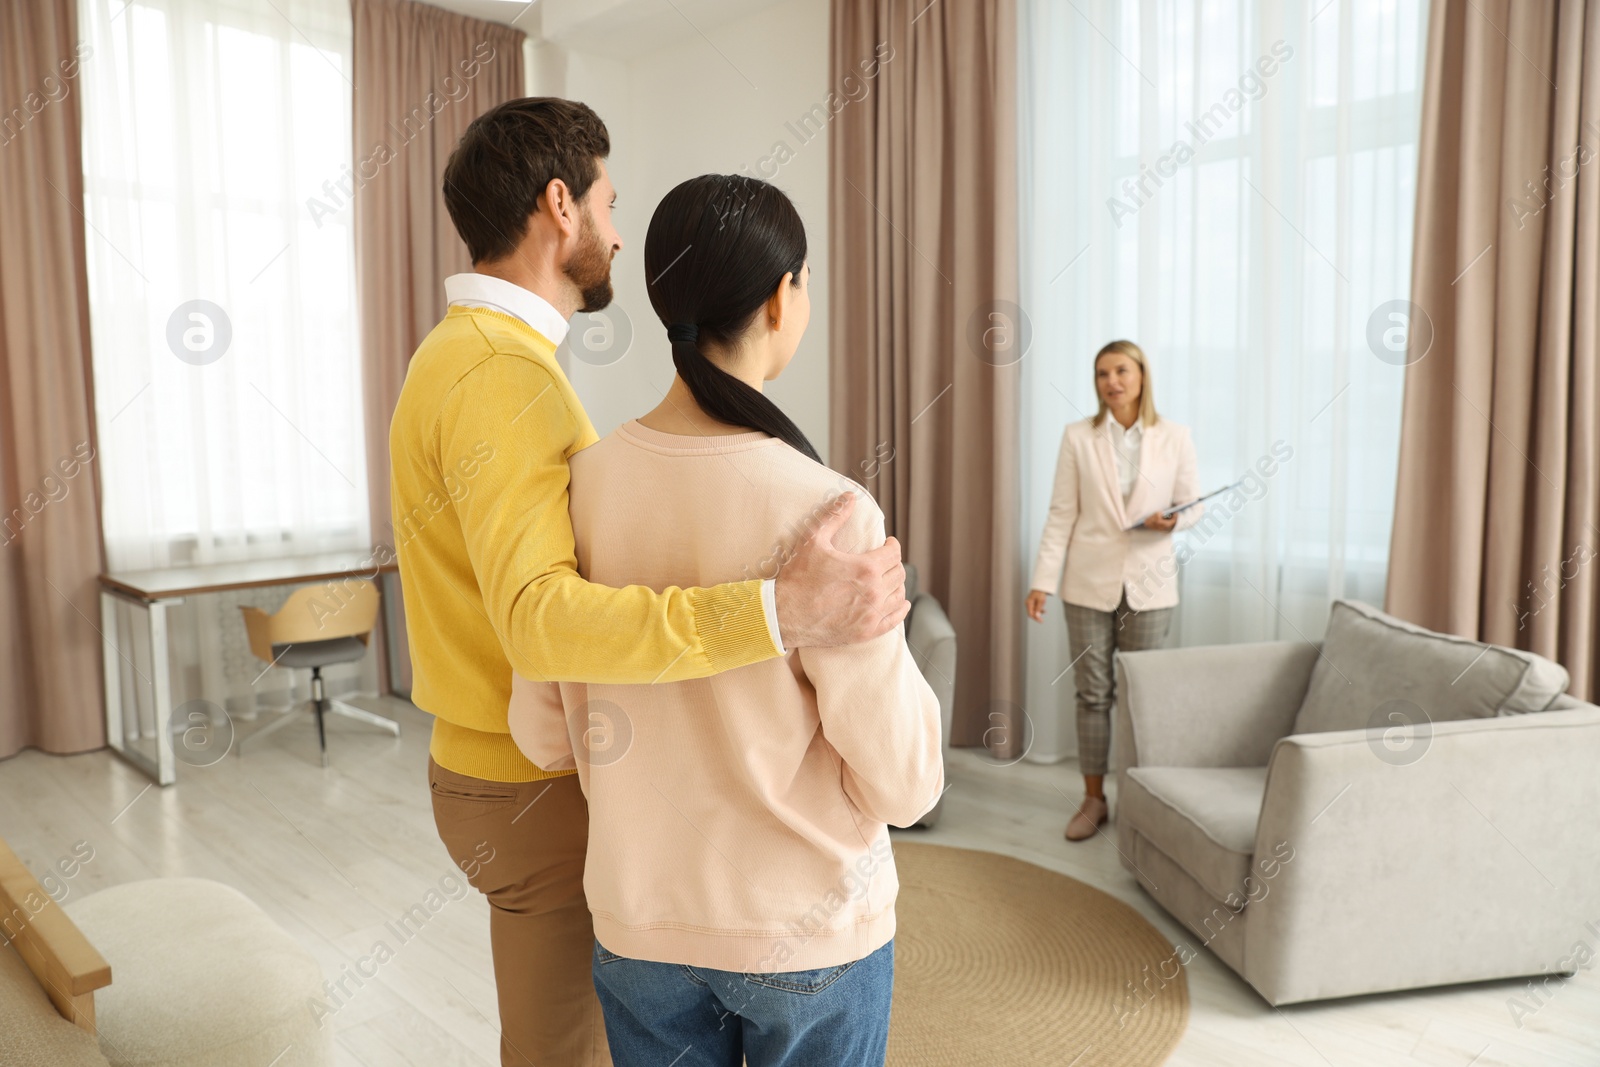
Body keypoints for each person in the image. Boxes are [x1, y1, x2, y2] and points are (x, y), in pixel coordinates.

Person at [388, 100, 910, 1067]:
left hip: (518, 774)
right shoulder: (500, 375)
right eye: (608, 200)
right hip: (527, 789)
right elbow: (540, 620)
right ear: (561, 206)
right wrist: (780, 609)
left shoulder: (469, 359)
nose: (618, 230)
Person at [507, 173, 944, 1067]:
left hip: (641, 919)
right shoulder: (830, 509)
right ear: (783, 297)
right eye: (807, 281)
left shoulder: (581, 485)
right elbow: (905, 783)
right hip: (807, 925)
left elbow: (541, 729)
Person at [1025, 340, 1203, 842]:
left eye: (1121, 371)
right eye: (1102, 373)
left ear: (1142, 375)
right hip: (1087, 582)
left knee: (1142, 697)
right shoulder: (1078, 437)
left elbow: (1194, 505)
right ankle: (1093, 798)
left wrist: (1174, 521)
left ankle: (1140, 801)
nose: (1112, 382)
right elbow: (1062, 512)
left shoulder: (1174, 436)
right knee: (1092, 694)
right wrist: (1043, 581)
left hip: (1151, 585)